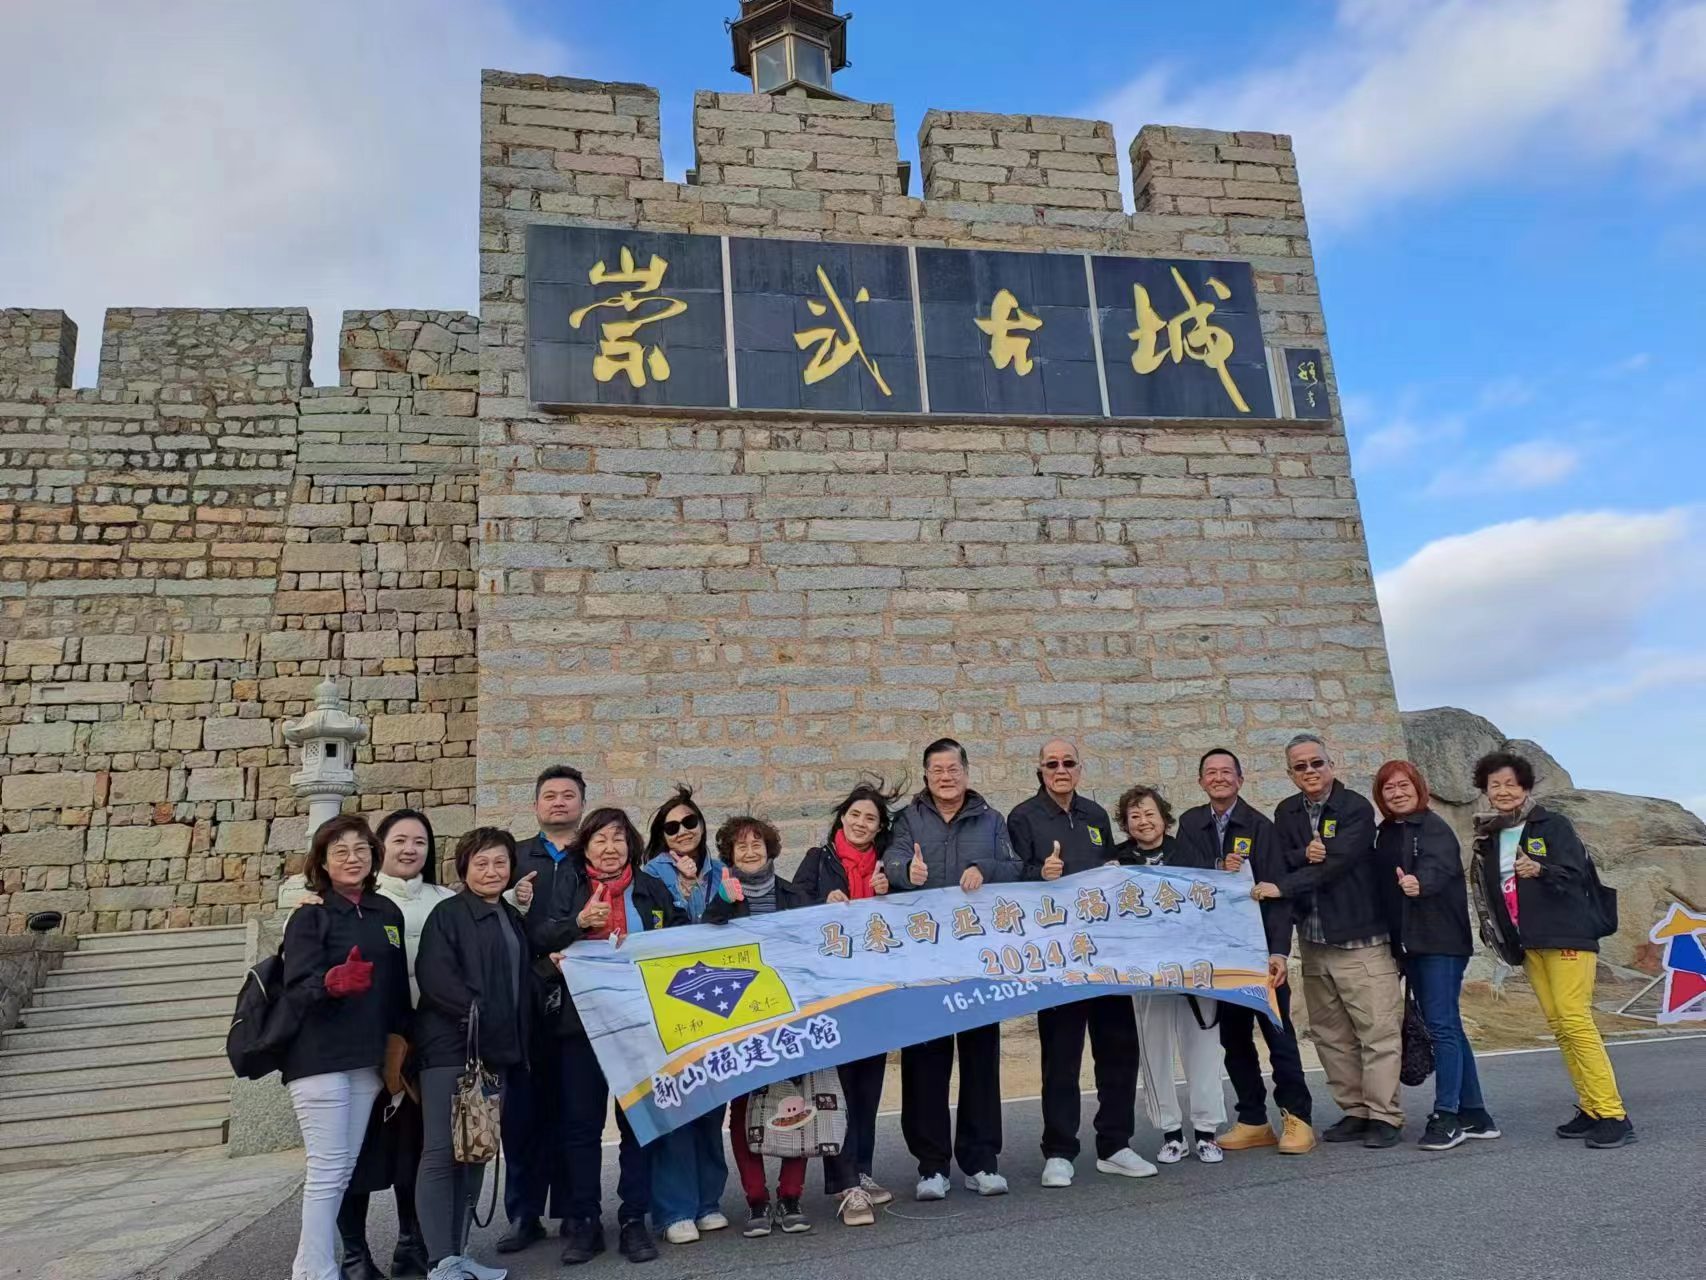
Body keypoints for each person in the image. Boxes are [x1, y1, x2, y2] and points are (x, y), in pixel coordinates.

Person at [527, 807, 685, 1264]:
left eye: (618, 838)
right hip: (580, 1026)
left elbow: (677, 939)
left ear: (630, 844)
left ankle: (634, 1218)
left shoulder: (651, 889)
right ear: (586, 846)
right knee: (581, 1127)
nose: (610, 848)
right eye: (600, 839)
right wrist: (577, 924)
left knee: (638, 1123)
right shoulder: (566, 885)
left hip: (639, 1024)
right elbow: (539, 936)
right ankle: (586, 1221)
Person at [320, 811, 467, 1279]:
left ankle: (411, 1241)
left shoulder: (447, 900)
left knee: (416, 1145)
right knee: (356, 1149)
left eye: (420, 842)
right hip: (360, 1039)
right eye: (399, 840)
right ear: (380, 847)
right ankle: (355, 1254)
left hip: (422, 1038)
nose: (410, 849)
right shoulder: (355, 900)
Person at [881, 738, 1022, 1201]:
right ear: (926, 776)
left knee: (981, 1061)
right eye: (936, 769)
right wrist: (907, 874)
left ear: (966, 771)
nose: (946, 776)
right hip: (924, 961)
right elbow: (890, 864)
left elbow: (1015, 867)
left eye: (953, 768)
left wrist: (985, 867)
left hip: (977, 960)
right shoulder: (907, 819)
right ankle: (931, 1166)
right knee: (926, 1063)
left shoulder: (990, 818)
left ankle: (981, 1161)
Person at [1470, 751, 1634, 1149]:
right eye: (1495, 785)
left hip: (1567, 936)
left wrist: (1540, 870)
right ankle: (1591, 1107)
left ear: (1525, 786)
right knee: (1561, 1027)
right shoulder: (1490, 837)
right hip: (1529, 943)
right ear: (1486, 792)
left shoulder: (1552, 824)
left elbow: (1577, 874)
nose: (1503, 791)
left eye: (1511, 783)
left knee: (1576, 1021)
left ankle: (1613, 1113)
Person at [1007, 740, 1147, 1188]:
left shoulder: (1094, 815)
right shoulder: (1023, 817)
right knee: (1062, 1057)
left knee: (1119, 1050)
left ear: (1079, 769)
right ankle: (1060, 1150)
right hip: (1058, 958)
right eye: (1052, 764)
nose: (1061, 769)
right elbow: (1011, 880)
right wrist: (1039, 875)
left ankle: (1115, 1144)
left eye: (1068, 763)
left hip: (1105, 954)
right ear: (1040, 770)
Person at [1255, 733, 1401, 1148]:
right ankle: (1354, 1110)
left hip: (1360, 940)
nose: (1310, 772)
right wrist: (1308, 854)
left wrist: (1285, 885)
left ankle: (1385, 1115)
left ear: (1330, 764)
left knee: (1377, 1032)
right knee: (1330, 1033)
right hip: (1315, 942)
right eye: (1300, 766)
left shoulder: (1355, 806)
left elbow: (1340, 862)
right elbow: (1285, 858)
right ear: (1290, 773)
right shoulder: (1286, 812)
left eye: (1316, 763)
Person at [281, 815, 411, 1280]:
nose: (352, 858)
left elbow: (396, 988)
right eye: (340, 851)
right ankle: (313, 1271)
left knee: (343, 1169)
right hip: (320, 1058)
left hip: (368, 1060)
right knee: (326, 1168)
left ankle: (314, 1265)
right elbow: (295, 987)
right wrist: (330, 983)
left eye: (361, 849)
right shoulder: (310, 914)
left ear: (374, 856)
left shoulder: (386, 912)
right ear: (322, 861)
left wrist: (402, 1045)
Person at [1175, 748, 1316, 1155]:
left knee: (1278, 1035)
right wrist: (1219, 868)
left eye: (1226, 772)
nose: (1218, 778)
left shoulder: (1259, 826)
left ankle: (1298, 1118)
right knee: (1234, 1039)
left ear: (1240, 778)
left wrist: (1278, 952)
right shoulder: (1190, 823)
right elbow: (1183, 880)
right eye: (1210, 773)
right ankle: (1253, 1118)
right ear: (1201, 781)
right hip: (1220, 955)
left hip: (1257, 952)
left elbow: (1277, 893)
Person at [412, 828, 532, 1280]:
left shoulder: (509, 916)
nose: (491, 871)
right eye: (481, 863)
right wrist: (476, 1016)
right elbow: (436, 977)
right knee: (443, 1153)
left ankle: (458, 1253)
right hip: (452, 1051)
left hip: (494, 1053)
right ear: (464, 868)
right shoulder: (449, 914)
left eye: (500, 863)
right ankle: (439, 1261)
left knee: (475, 1149)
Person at [702, 816, 829, 1234]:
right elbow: (702, 942)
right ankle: (757, 1200)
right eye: (741, 847)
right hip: (741, 1019)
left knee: (797, 1102)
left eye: (757, 843)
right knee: (744, 1110)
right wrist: (721, 901)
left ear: (770, 848)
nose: (751, 851)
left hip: (791, 1016)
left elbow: (813, 949)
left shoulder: (795, 894)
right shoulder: (718, 897)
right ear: (729, 856)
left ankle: (790, 1196)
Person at [1371, 761, 1499, 1151]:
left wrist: (1418, 883)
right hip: (1412, 945)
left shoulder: (1433, 827)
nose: (1397, 792)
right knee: (1449, 1027)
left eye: (1403, 785)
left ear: (1418, 787)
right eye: (1388, 788)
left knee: (1441, 1027)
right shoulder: (1386, 833)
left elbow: (1438, 868)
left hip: (1440, 942)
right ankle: (1475, 1113)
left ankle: (1447, 1116)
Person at [791, 781, 898, 1222]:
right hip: (831, 994)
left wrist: (889, 893)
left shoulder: (889, 866)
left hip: (875, 991)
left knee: (869, 1088)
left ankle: (863, 1169)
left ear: (878, 828)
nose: (860, 823)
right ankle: (845, 1183)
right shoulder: (818, 861)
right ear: (842, 817)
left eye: (870, 818)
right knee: (839, 1088)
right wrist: (823, 900)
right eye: (855, 815)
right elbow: (794, 904)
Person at [640, 786, 732, 1246]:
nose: (682, 833)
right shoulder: (649, 877)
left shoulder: (721, 872)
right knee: (676, 1104)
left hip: (717, 1003)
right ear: (661, 835)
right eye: (671, 827)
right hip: (669, 1004)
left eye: (689, 823)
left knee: (711, 1106)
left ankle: (708, 1200)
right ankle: (674, 1208)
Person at [497, 766, 583, 1254]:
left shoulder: (592, 855)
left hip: (578, 1000)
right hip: (525, 1002)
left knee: (574, 1109)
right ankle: (523, 1214)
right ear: (535, 806)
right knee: (523, 1116)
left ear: (580, 804)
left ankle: (573, 1210)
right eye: (549, 796)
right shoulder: (513, 858)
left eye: (567, 796)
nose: (558, 803)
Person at [1117, 786, 1227, 1166]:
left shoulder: (1189, 852)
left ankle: (1207, 1132)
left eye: (1149, 813)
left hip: (1195, 968)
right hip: (1146, 971)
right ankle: (1171, 1133)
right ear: (1126, 825)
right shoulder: (1117, 861)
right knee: (1155, 1050)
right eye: (1135, 816)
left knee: (1204, 1048)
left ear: (1164, 817)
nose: (1144, 822)